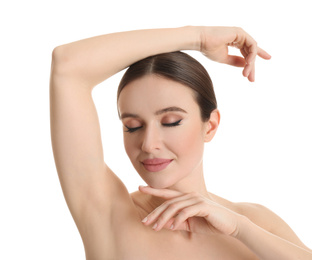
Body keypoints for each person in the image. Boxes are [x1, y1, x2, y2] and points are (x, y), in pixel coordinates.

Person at [49, 26, 312, 259]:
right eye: (133, 127)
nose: (148, 144)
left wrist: (240, 230)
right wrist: (199, 38)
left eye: (171, 121)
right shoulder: (106, 214)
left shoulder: (255, 223)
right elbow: (68, 65)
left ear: (210, 126)